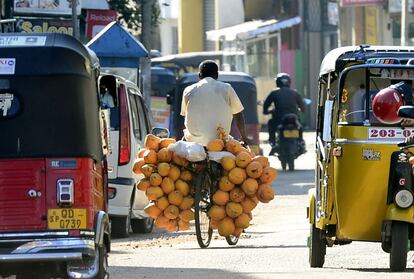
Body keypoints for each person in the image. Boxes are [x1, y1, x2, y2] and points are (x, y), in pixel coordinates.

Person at [180, 60, 250, 146]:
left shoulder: (188, 90)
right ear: (217, 75)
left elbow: (186, 116)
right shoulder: (227, 88)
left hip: (193, 142)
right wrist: (243, 137)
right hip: (220, 141)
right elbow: (238, 115)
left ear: (199, 75)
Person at [263, 73, 305, 155]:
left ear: (278, 82)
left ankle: (273, 142)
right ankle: (300, 141)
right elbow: (303, 107)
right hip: (293, 118)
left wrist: (265, 111)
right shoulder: (295, 92)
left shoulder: (274, 92)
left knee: (270, 123)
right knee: (299, 125)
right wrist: (300, 109)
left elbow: (266, 104)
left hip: (279, 118)